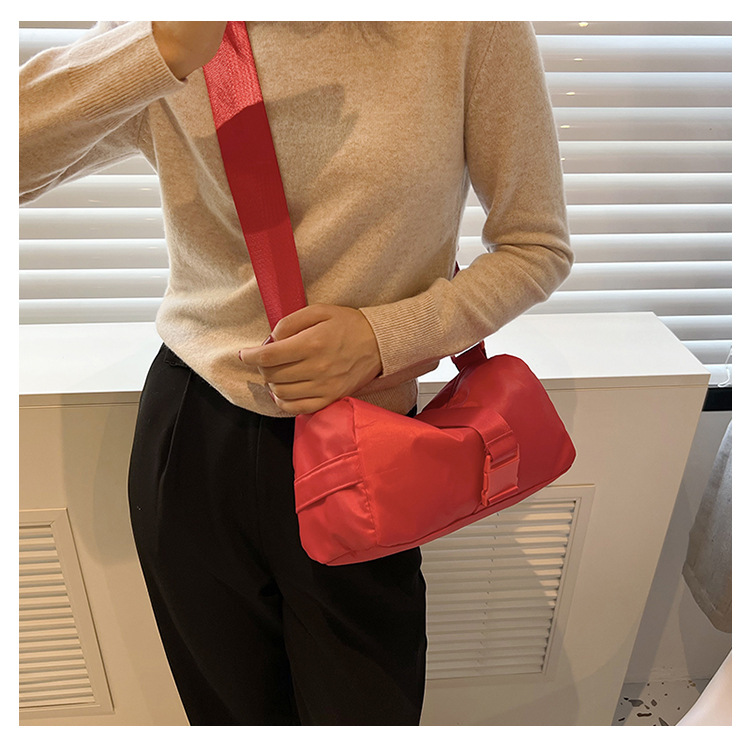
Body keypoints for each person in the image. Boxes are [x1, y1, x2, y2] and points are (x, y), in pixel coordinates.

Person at [19, 21, 572, 725]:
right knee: (229, 717)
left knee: (368, 715)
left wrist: (382, 338)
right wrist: (159, 50)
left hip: (365, 444)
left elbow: (535, 245)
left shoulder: (464, 28)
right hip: (194, 429)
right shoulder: (179, 26)